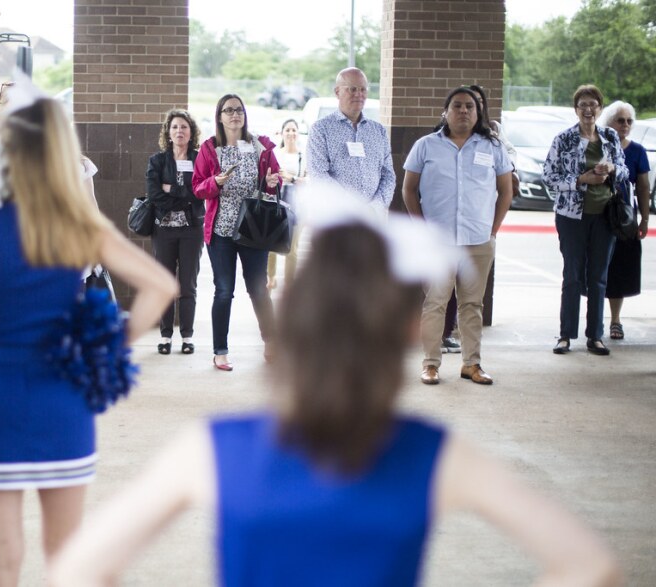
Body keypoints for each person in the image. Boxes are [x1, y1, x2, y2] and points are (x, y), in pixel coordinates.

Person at [48, 190, 621, 587]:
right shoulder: (435, 456)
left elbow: (77, 568)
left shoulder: (214, 449)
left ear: (292, 313)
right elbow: (590, 566)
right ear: (405, 329)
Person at [0, 83, 176, 586]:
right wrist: (109, 343)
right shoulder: (79, 221)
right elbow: (161, 286)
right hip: (64, 400)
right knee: (69, 556)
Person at [402, 86, 514, 386]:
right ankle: (430, 364)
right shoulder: (425, 146)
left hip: (478, 240)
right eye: (457, 106)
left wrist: (492, 230)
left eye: (470, 107)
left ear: (478, 114)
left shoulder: (493, 148)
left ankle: (471, 364)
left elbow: (506, 192)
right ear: (446, 111)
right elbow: (408, 189)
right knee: (435, 303)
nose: (463, 111)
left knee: (472, 305)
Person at [192, 94, 280, 371]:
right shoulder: (209, 148)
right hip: (221, 231)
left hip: (253, 229)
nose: (234, 115)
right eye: (228, 111)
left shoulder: (259, 146)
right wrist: (215, 183)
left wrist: (270, 181)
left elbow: (273, 184)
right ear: (219, 117)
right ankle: (220, 350)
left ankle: (272, 341)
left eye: (238, 110)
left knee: (258, 289)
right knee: (224, 290)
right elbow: (198, 187)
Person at [543, 85, 628, 356]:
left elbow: (625, 170)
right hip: (571, 217)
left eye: (593, 104)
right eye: (583, 105)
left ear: (600, 108)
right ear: (576, 109)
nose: (588, 110)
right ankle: (566, 335)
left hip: (605, 216)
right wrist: (581, 179)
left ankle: (596, 336)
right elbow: (548, 176)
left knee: (598, 278)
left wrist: (613, 169)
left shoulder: (610, 137)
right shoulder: (563, 139)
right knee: (572, 275)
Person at [146, 109, 205, 355]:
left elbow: (202, 192)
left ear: (191, 132)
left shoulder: (200, 158)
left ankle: (187, 336)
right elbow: (154, 194)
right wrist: (185, 196)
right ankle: (166, 335)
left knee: (188, 285)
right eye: (174, 127)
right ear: (168, 133)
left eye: (184, 127)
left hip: (192, 230)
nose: (179, 131)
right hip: (164, 231)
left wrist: (172, 190)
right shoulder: (157, 161)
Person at [307, 67, 395, 213]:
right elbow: (318, 175)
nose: (359, 94)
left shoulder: (378, 131)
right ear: (337, 92)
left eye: (363, 89)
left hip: (372, 220)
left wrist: (374, 208)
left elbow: (388, 176)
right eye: (352, 89)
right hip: (336, 218)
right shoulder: (321, 129)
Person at [597, 101, 650, 340]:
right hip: (598, 214)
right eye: (620, 120)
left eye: (629, 121)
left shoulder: (637, 151)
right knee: (597, 269)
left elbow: (643, 186)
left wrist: (645, 219)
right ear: (608, 123)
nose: (625, 125)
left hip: (623, 218)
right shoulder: (598, 147)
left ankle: (615, 320)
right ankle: (593, 322)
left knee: (619, 268)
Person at [267, 118, 306, 292]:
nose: (290, 133)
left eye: (293, 130)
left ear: (298, 133)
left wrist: (290, 178)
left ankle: (289, 285)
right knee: (271, 245)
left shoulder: (303, 156)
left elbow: (309, 180)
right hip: (277, 203)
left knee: (292, 249)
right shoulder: (276, 154)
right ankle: (271, 277)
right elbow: (269, 175)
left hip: (299, 206)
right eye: (287, 130)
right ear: (282, 133)